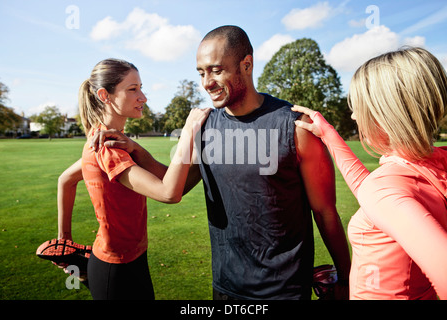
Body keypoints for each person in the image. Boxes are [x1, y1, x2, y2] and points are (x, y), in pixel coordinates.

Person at [57, 26, 351, 300]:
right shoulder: (207, 126)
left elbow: (325, 211)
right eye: (201, 72)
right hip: (225, 285)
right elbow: (177, 184)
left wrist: (346, 277)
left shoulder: (295, 126)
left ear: (246, 65)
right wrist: (137, 150)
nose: (207, 82)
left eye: (216, 70)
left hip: (284, 289)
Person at [293, 47, 447, 299]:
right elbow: (377, 196)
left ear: (385, 115)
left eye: (360, 107)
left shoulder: (386, 190)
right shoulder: (435, 163)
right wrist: (330, 135)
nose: (354, 116)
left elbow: (383, 196)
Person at [58, 58, 210, 300]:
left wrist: (64, 238)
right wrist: (189, 133)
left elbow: (65, 180)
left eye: (141, 87)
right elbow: (169, 193)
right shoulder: (106, 147)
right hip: (115, 270)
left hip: (133, 259)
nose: (143, 97)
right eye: (132, 89)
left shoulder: (111, 140)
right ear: (104, 95)